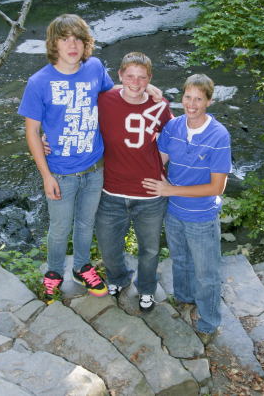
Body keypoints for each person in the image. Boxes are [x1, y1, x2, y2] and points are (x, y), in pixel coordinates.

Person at [17, 13, 115, 303]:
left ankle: (82, 267)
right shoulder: (39, 82)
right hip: (60, 172)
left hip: (94, 167)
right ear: (54, 45)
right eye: (64, 39)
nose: (72, 45)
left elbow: (113, 100)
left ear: (86, 44)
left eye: (78, 39)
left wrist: (147, 90)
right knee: (60, 228)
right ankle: (54, 273)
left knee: (86, 223)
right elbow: (33, 132)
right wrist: (46, 175)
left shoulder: (95, 68)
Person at [142, 74, 232, 341]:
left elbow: (218, 187)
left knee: (207, 273)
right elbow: (159, 159)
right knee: (180, 261)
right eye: (188, 97)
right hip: (174, 213)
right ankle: (184, 299)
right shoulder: (173, 127)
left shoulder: (219, 135)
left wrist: (170, 189)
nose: (192, 104)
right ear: (182, 98)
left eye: (198, 99)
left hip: (201, 217)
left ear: (209, 101)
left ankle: (208, 322)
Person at [95, 52, 173, 312]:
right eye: (130, 76)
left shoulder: (160, 106)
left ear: (150, 79)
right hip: (111, 191)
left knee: (149, 250)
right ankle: (118, 277)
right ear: (120, 75)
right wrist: (48, 140)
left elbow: (174, 138)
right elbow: (73, 120)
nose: (136, 82)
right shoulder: (104, 100)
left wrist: (159, 164)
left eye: (142, 78)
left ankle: (147, 288)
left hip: (150, 196)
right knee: (108, 244)